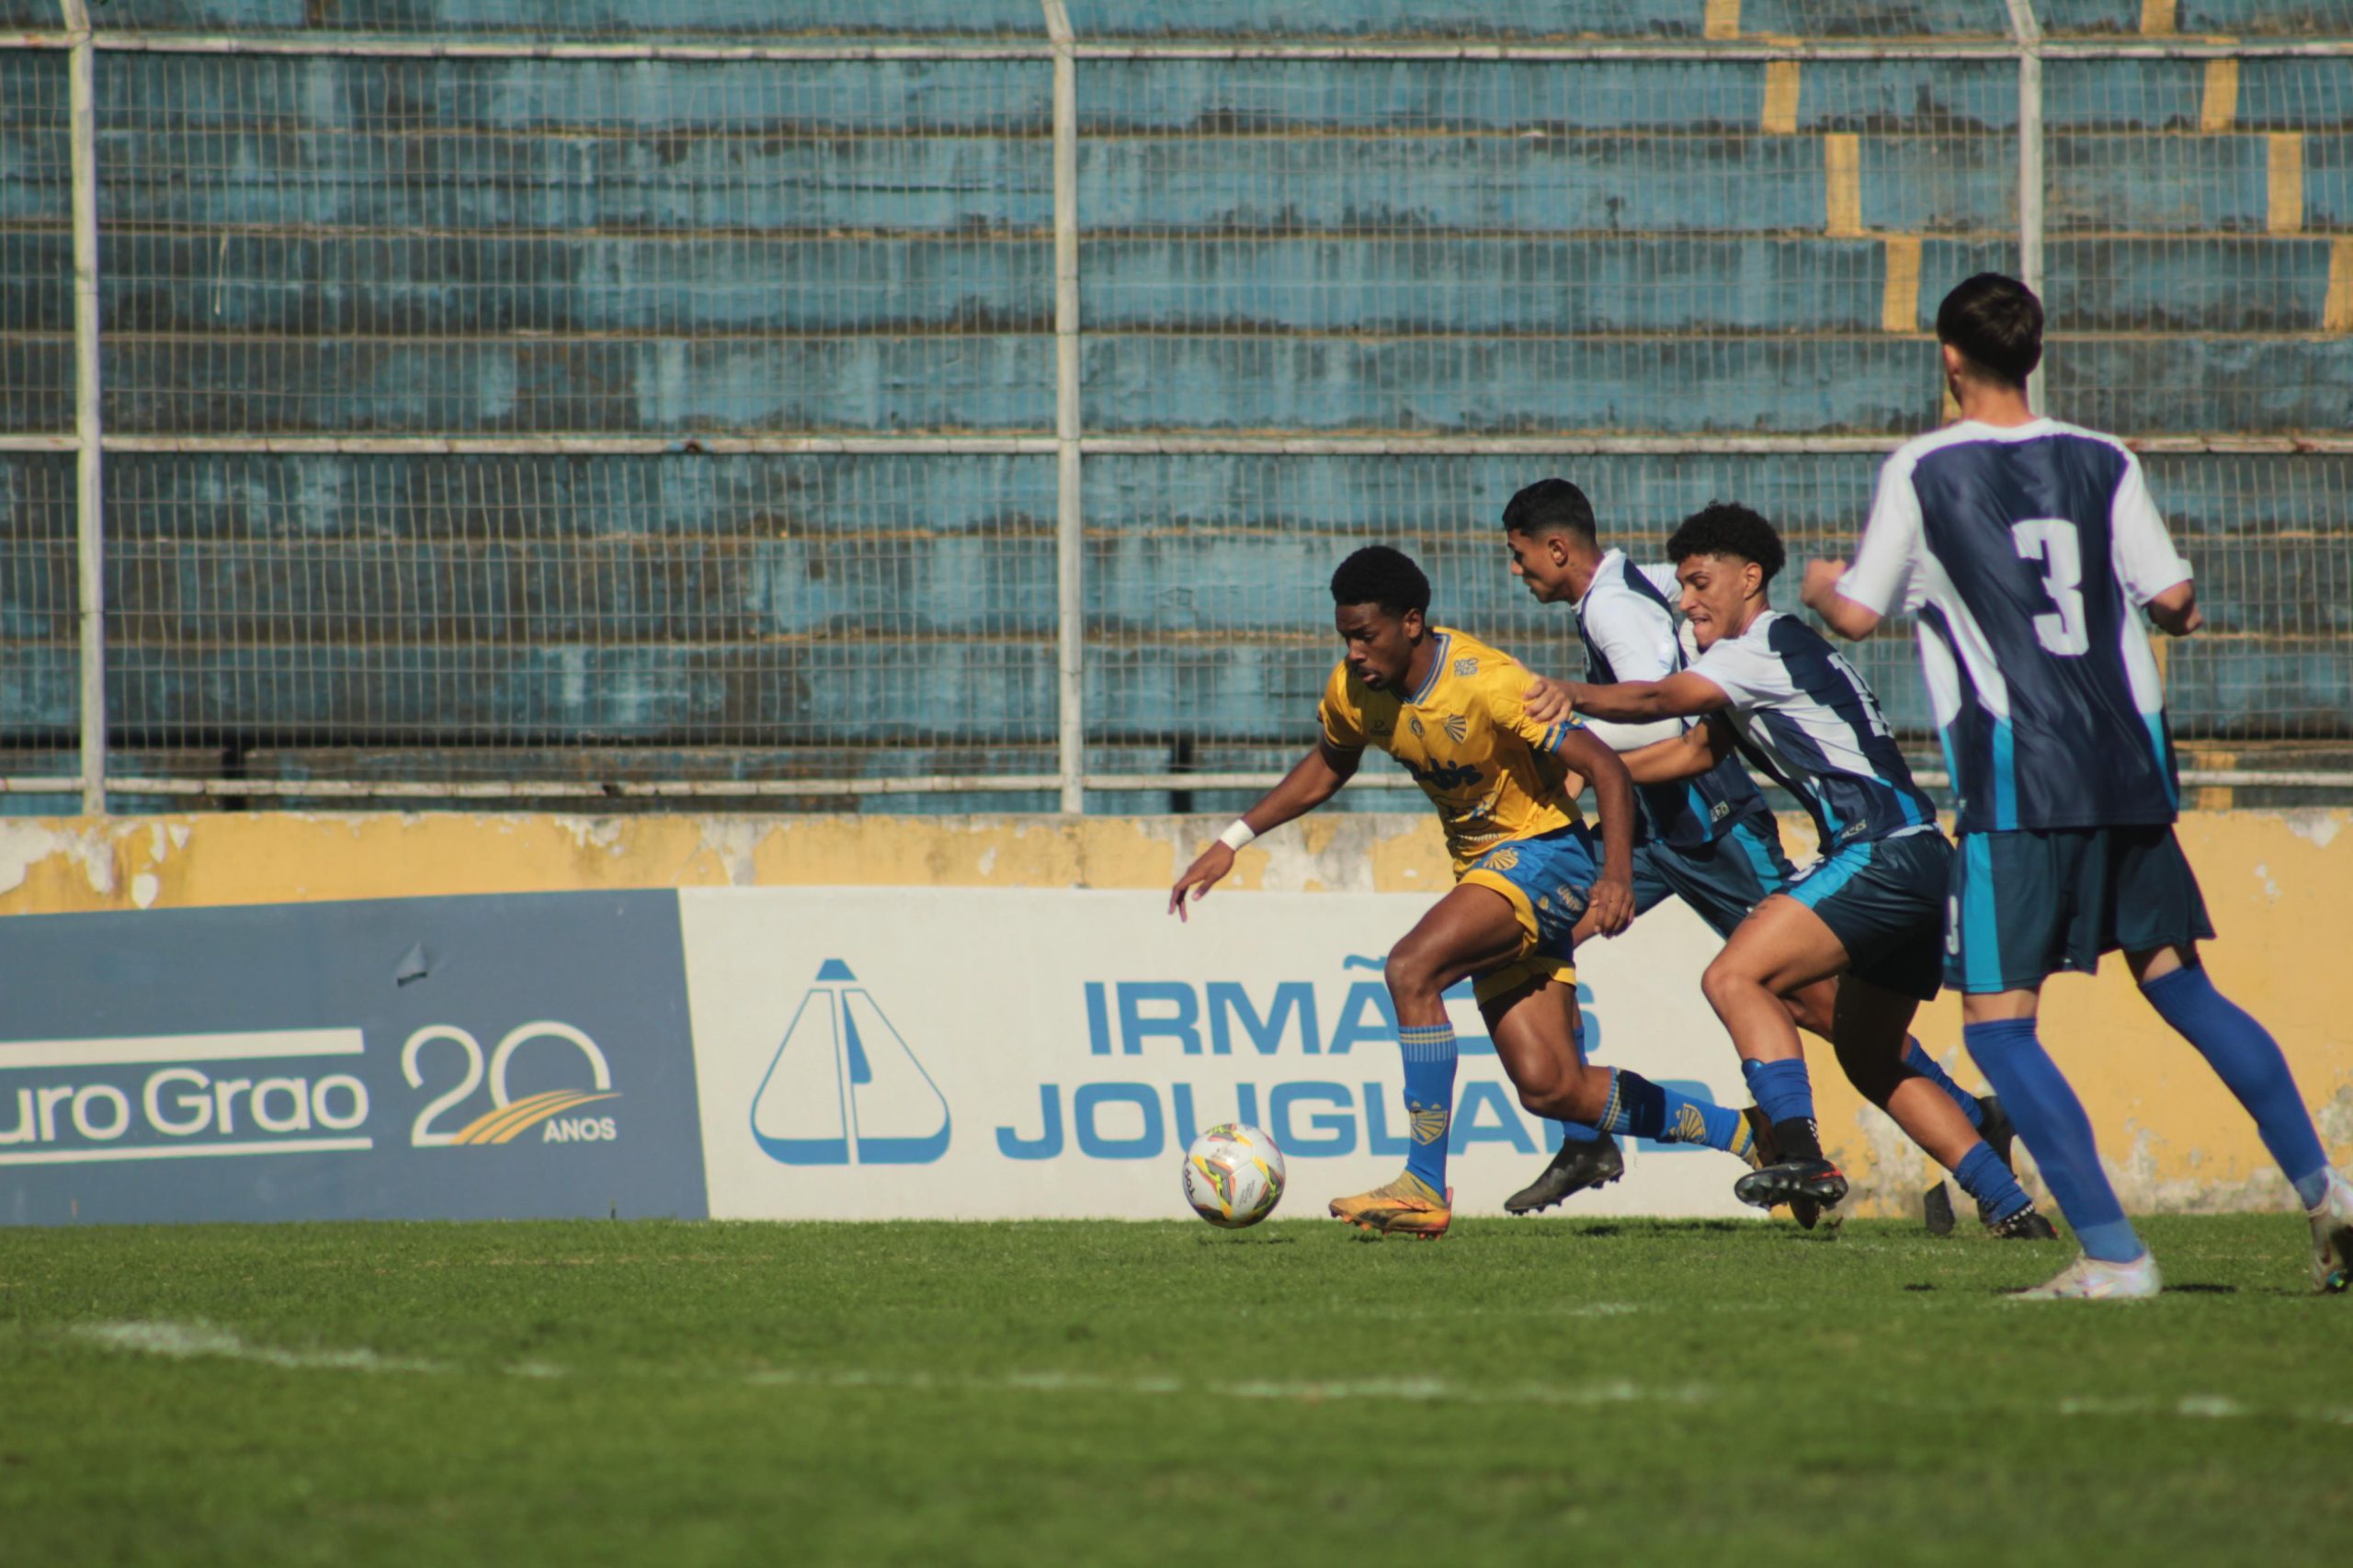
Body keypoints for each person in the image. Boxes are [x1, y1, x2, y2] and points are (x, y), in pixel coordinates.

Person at [1802, 271, 2353, 1298]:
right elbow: (2177, 599)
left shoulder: (1924, 467)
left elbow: (1859, 615)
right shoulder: (2105, 459)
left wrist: (1823, 581)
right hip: (2131, 764)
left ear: (1949, 357)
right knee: (2180, 982)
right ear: (2034, 352)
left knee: (2000, 1027)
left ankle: (2112, 1251)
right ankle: (2327, 1187)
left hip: (2022, 774)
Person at [1169, 546, 1768, 1239]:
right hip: (1491, 874)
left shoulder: (1486, 682)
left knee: (1410, 968)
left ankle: (1422, 1183)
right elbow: (1331, 764)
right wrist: (1233, 840)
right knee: (1551, 1086)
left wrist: (1616, 876)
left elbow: (1605, 766)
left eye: (1367, 636)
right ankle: (1749, 1137)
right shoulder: (1354, 690)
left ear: (1412, 623)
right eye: (1346, 637)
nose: (1355, 652)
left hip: (1547, 859)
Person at [1501, 481, 2040, 1237]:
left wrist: (1566, 695)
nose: (1685, 602)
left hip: (1879, 851)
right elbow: (1693, 749)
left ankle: (1799, 1150)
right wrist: (1593, 773)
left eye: (1699, 583)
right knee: (1867, 1053)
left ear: (1748, 577)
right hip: (1919, 857)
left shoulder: (1755, 649)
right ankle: (2010, 1205)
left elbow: (1657, 700)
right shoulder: (1761, 658)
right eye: (1682, 584)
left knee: (1735, 977)